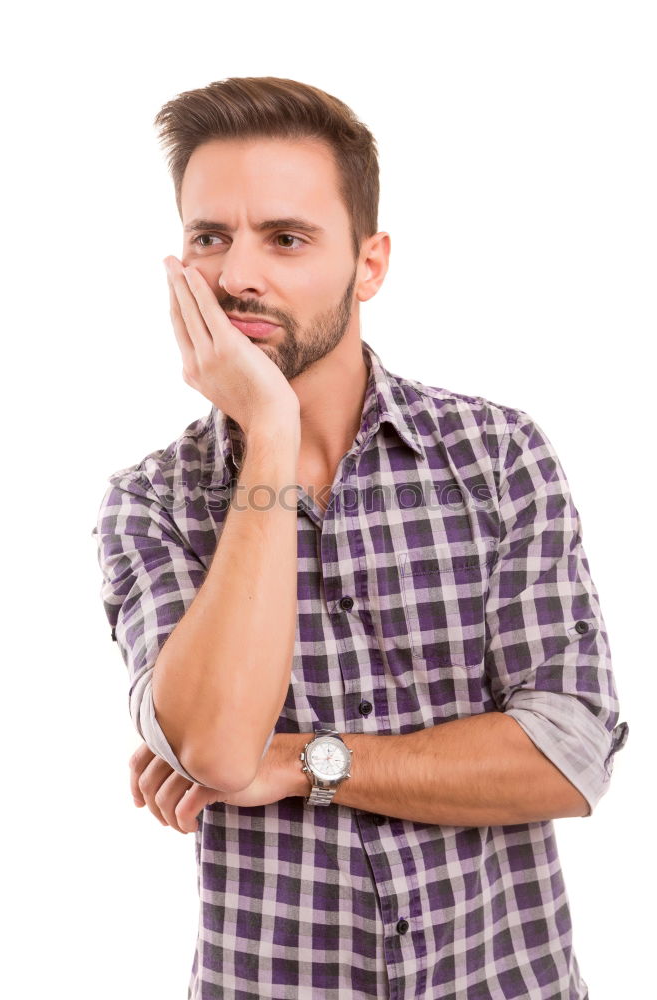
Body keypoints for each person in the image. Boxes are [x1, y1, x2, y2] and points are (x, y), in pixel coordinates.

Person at [92, 76, 629, 1000]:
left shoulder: (496, 456)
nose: (236, 276)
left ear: (369, 265)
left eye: (287, 239)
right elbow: (217, 752)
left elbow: (569, 754)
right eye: (208, 238)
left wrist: (304, 763)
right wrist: (268, 429)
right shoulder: (155, 503)